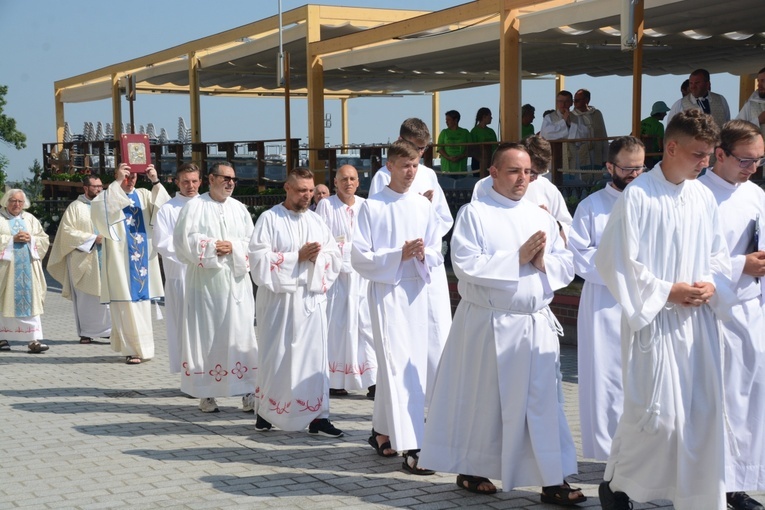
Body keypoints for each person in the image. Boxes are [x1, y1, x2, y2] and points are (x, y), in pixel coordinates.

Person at [419, 143, 582, 505]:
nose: (522, 179)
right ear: (493, 172)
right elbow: (463, 263)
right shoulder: (475, 213)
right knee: (485, 401)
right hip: (489, 323)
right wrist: (516, 258)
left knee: (543, 404)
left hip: (533, 326)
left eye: (528, 173)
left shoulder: (541, 216)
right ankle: (472, 468)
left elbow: (565, 264)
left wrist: (542, 264)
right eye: (514, 171)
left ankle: (552, 478)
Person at [595, 109, 734, 510]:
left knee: (701, 419)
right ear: (671, 147)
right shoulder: (638, 196)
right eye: (698, 154)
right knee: (657, 420)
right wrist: (665, 291)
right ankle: (619, 485)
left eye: (709, 154)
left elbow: (717, 257)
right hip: (655, 322)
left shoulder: (703, 196)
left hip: (698, 326)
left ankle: (696, 498)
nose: (706, 162)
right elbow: (615, 261)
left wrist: (712, 283)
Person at [352, 140, 444, 475]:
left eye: (416, 166)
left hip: (417, 292)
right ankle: (413, 446)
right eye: (405, 166)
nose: (411, 172)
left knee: (412, 365)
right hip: (387, 292)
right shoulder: (371, 207)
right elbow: (359, 257)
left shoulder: (423, 207)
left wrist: (422, 254)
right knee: (394, 363)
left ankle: (381, 430)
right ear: (389, 166)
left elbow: (437, 251)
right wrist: (397, 255)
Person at [698, 120, 765, 510]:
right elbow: (688, 258)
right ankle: (703, 483)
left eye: (758, 161)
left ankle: (735, 484)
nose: (752, 168)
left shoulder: (756, 195)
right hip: (707, 313)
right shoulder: (695, 195)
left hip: (749, 312)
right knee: (709, 403)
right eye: (745, 160)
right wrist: (742, 265)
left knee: (745, 401)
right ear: (718, 154)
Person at [568, 136, 645, 462]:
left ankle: (643, 451)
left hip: (645, 301)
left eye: (640, 167)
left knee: (643, 376)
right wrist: (618, 270)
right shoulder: (592, 206)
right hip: (604, 302)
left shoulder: (653, 202)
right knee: (604, 378)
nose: (634, 174)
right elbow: (578, 254)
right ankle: (605, 454)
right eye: (627, 168)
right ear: (609, 167)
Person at [249, 167, 343, 436]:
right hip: (280, 302)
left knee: (313, 359)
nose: (308, 195)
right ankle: (267, 412)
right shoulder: (269, 219)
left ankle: (318, 417)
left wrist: (318, 259)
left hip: (310, 302)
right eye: (302, 190)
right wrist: (296, 257)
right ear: (287, 188)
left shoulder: (316, 221)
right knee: (276, 356)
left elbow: (334, 256)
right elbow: (257, 259)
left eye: (311, 190)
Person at [369, 118, 453, 406]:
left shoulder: (429, 175)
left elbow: (444, 219)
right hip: (399, 270)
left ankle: (437, 401)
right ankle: (401, 406)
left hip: (426, 266)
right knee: (401, 343)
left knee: (436, 334)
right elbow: (376, 223)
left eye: (424, 149)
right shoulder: (384, 176)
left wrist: (426, 211)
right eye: (416, 148)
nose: (420, 156)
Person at [173, 161, 258, 413]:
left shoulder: (240, 208)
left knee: (241, 335)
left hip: (236, 284)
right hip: (206, 286)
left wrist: (233, 246)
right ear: (211, 179)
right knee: (207, 336)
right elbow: (183, 241)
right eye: (225, 178)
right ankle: (206, 393)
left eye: (233, 179)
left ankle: (247, 391)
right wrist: (210, 246)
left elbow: (252, 242)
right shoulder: (195, 207)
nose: (230, 183)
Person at [91, 163, 170, 365]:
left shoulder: (144, 194)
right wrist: (117, 181)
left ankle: (143, 348)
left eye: (134, 175)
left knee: (141, 306)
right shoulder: (110, 194)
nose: (131, 179)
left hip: (143, 259)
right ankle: (131, 349)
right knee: (124, 305)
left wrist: (155, 180)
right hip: (120, 260)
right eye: (127, 175)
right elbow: (101, 210)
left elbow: (165, 211)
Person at [315, 164, 376, 398]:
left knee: (366, 327)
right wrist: (347, 251)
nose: (348, 183)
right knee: (338, 327)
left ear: (358, 182)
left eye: (352, 179)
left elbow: (371, 242)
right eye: (343, 179)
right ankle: (335, 379)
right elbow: (323, 241)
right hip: (337, 278)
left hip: (362, 279)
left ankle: (372, 380)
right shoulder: (326, 206)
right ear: (335, 182)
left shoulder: (366, 206)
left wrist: (353, 251)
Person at [472, 134, 573, 242]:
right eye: (531, 172)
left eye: (540, 173)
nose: (533, 178)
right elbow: (475, 228)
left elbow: (569, 232)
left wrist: (552, 222)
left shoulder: (548, 188)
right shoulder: (484, 186)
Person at [47, 175, 111, 344]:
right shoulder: (75, 207)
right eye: (95, 186)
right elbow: (66, 233)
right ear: (85, 188)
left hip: (105, 256)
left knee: (106, 296)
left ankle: (108, 330)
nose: (99, 189)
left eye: (100, 186)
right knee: (86, 298)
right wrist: (92, 239)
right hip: (84, 259)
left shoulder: (106, 206)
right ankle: (86, 332)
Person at [152, 163, 201, 374]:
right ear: (177, 182)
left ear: (200, 181)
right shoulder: (168, 209)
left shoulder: (207, 205)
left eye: (194, 181)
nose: (190, 186)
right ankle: (188, 374)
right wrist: (194, 252)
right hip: (180, 275)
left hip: (207, 275)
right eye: (186, 181)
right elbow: (162, 242)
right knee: (183, 327)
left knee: (205, 327)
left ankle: (208, 373)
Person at [0, 189, 50, 354]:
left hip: (28, 269)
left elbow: (43, 239)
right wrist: (10, 240)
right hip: (6, 271)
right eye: (13, 201)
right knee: (4, 301)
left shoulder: (30, 219)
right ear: (6, 201)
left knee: (32, 301)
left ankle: (33, 340)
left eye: (20, 202)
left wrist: (32, 239)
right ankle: (2, 338)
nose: (17, 204)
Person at [540, 90, 589, 170]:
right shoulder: (549, 117)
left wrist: (570, 124)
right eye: (560, 101)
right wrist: (563, 122)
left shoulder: (577, 118)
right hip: (554, 154)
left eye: (566, 101)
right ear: (557, 102)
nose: (563, 104)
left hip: (572, 154)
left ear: (571, 103)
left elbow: (584, 135)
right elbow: (547, 134)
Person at [572, 88, 609, 168]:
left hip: (596, 153)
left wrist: (606, 157)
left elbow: (603, 135)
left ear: (586, 100)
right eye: (574, 100)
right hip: (580, 154)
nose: (575, 102)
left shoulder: (597, 114)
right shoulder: (571, 116)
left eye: (577, 100)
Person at [736, 66, 765, 138]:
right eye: (758, 81)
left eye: (763, 81)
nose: (759, 85)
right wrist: (758, 121)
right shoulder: (750, 105)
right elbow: (735, 131)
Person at [640, 101, 671, 169]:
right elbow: (661, 146)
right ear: (660, 112)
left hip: (639, 154)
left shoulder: (642, 122)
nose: (665, 114)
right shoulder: (659, 125)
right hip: (653, 157)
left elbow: (631, 136)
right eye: (664, 112)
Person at [469, 107, 497, 171]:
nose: (491, 118)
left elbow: (495, 147)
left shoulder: (491, 131)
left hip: (491, 160)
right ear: (484, 117)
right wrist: (482, 160)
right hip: (478, 161)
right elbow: (472, 148)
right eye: (490, 116)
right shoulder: (474, 131)